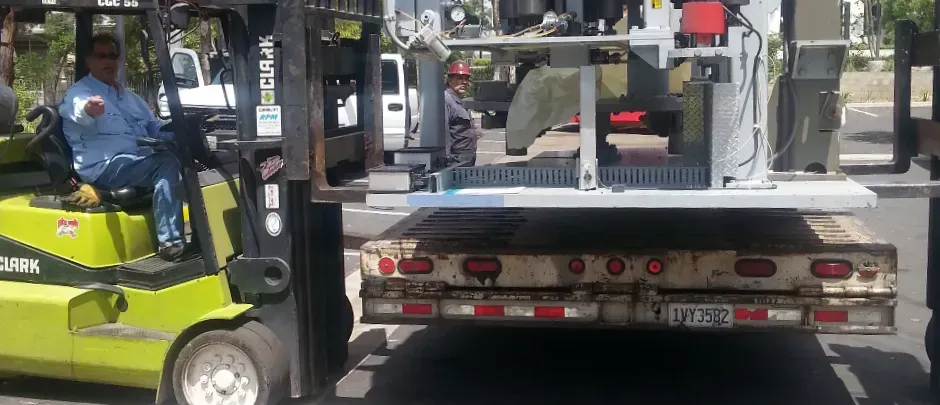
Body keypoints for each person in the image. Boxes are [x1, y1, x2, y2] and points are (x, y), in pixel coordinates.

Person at [59, 33, 190, 261]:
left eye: (112, 56)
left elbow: (154, 129)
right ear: (89, 61)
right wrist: (89, 108)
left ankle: (201, 236)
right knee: (165, 164)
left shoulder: (130, 98)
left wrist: (184, 132)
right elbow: (76, 109)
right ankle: (171, 243)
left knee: (181, 155)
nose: (108, 61)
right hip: (105, 169)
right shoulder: (81, 93)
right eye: (101, 56)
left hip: (131, 164)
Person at [443, 60, 481, 166]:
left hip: (466, 158)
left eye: (466, 78)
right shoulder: (446, 100)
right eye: (460, 78)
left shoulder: (460, 100)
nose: (464, 82)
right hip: (456, 161)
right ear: (449, 80)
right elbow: (444, 134)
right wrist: (446, 161)